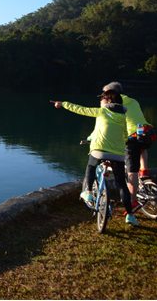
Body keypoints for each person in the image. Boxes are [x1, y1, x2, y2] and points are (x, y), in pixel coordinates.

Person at [50, 90, 139, 226]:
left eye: (102, 98)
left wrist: (63, 104)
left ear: (109, 101)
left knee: (91, 167)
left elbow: (81, 110)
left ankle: (89, 193)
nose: (100, 101)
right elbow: (125, 137)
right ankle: (130, 216)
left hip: (100, 151)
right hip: (118, 155)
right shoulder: (122, 117)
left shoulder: (102, 112)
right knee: (122, 184)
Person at [101, 82, 157, 214]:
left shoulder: (114, 104)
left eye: (105, 94)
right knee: (141, 148)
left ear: (111, 93)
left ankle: (132, 202)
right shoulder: (133, 101)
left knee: (132, 171)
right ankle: (145, 171)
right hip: (148, 132)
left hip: (132, 136)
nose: (103, 97)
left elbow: (106, 122)